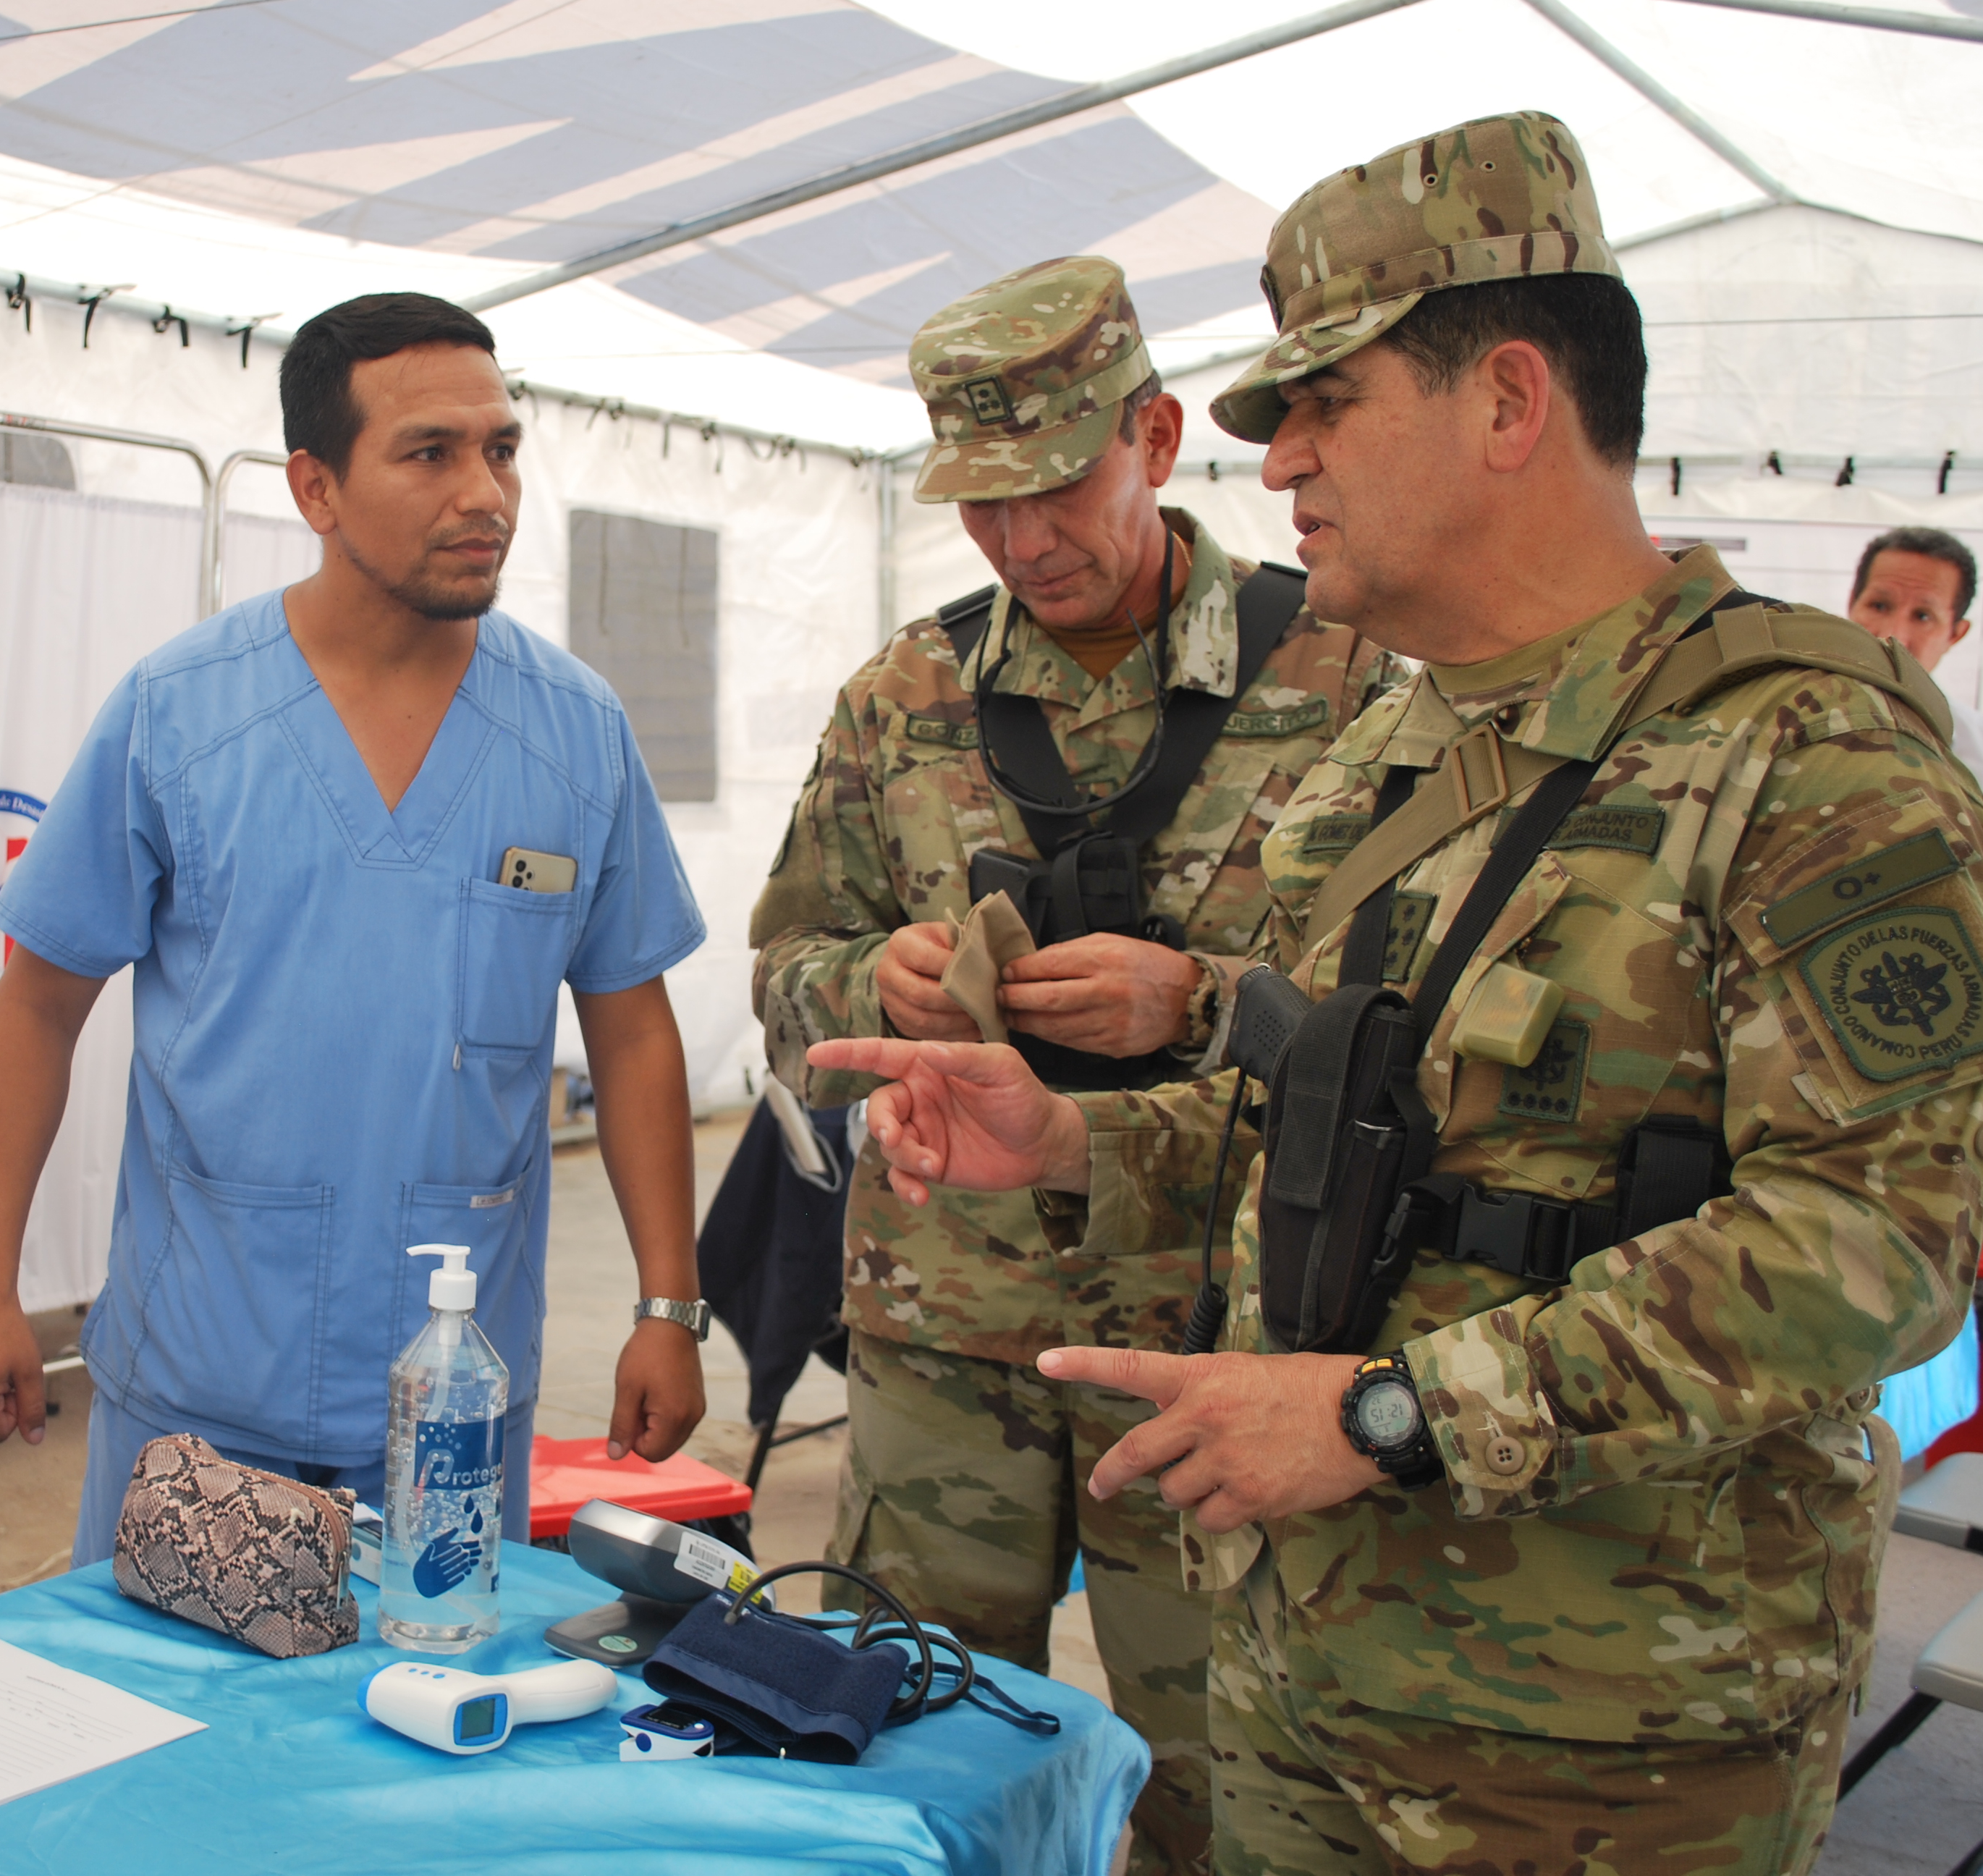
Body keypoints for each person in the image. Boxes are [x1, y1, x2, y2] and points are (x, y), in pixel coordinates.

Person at [808, 110, 1980, 1875]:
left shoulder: (1806, 754)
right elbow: (1307, 1112)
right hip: (1301, 1665)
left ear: (1510, 402)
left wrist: (1394, 1414)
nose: (1279, 468)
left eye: (1325, 407)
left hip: (1597, 1736)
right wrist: (1067, 1141)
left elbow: (1884, 1241)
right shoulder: (1398, 744)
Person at [749, 255, 1400, 1875]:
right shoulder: (901, 698)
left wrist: (1198, 994)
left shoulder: (1345, 682)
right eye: (981, 504)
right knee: (900, 1758)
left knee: (1221, 1782)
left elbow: (1404, 1036)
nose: (1022, 541)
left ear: (1159, 439)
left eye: (1056, 487)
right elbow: (778, 983)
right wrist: (869, 980)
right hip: (939, 1341)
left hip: (1205, 1344)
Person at [0, 292, 710, 1560]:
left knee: (431, 1709)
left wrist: (669, 1301)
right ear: (317, 488)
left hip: (455, 1389)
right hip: (201, 1382)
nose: (486, 494)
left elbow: (630, 1032)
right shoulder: (181, 716)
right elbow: (37, 1006)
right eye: (430, 454)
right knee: (176, 1741)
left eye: (501, 449)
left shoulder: (574, 734)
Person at [1850, 525, 1983, 769]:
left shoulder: (1976, 751)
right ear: (1852, 605)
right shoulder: (1784, 715)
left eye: (1923, 616)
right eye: (1879, 606)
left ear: (1955, 635)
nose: (1893, 636)